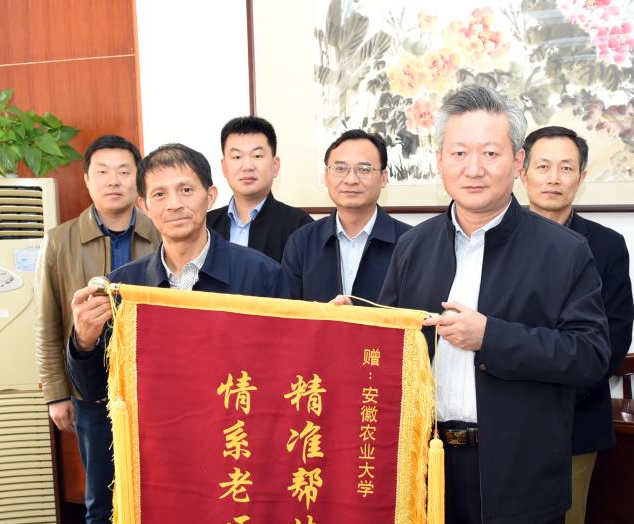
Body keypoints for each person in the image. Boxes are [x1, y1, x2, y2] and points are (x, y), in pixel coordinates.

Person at [373, 85, 610, 524]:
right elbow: (396, 350)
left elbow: (590, 356)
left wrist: (493, 337)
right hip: (433, 473)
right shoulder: (415, 246)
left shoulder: (563, 251)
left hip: (518, 471)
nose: (473, 167)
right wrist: (355, 329)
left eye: (490, 152)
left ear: (517, 161)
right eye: (459, 152)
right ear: (439, 159)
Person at [484, 125, 634, 524]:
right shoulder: (491, 238)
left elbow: (611, 339)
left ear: (581, 176)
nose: (553, 178)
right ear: (521, 171)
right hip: (500, 417)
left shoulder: (605, 246)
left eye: (566, 167)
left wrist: (555, 389)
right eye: (543, 166)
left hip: (573, 418)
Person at [34, 134, 160, 524]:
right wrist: (56, 392)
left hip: (153, 386)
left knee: (158, 487)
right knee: (100, 492)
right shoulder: (61, 239)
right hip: (90, 387)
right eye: (102, 172)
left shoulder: (160, 227)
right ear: (86, 180)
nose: (114, 181)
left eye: (124, 171)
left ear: (138, 180)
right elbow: (48, 320)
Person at [67, 143, 289, 405]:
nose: (174, 205)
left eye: (186, 190)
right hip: (155, 427)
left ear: (210, 196)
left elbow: (284, 371)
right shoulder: (123, 286)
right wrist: (83, 342)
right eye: (159, 194)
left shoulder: (262, 274)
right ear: (144, 205)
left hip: (235, 425)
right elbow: (94, 390)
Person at [282, 129, 410, 302]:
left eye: (364, 169)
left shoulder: (410, 243)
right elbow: (289, 312)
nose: (351, 180)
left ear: (384, 178)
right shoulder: (302, 242)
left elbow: (417, 311)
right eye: (340, 169)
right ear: (326, 176)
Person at [206, 116, 313, 262]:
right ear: (224, 167)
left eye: (257, 155)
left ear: (275, 166)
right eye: (237, 157)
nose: (247, 166)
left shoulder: (301, 226)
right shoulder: (205, 225)